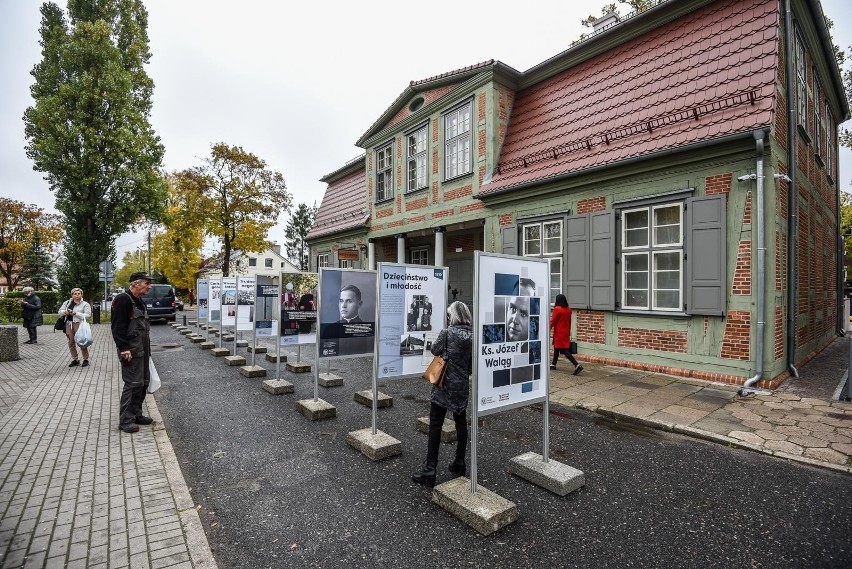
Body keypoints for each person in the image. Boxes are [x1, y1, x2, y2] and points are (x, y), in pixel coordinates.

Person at [412, 301, 473, 488]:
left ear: (452, 316)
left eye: (449, 315)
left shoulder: (447, 333)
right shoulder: (473, 336)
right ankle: (460, 462)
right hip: (461, 385)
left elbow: (434, 350)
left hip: (443, 384)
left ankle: (430, 469)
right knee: (461, 421)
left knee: (436, 424)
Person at [111, 271, 154, 434]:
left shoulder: (139, 301)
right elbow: (117, 327)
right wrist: (123, 348)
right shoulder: (123, 299)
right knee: (132, 384)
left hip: (142, 350)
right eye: (146, 283)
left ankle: (137, 414)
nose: (149, 286)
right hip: (130, 350)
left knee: (142, 382)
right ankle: (126, 420)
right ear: (136, 283)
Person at [550, 294, 583, 375]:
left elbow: (552, 321)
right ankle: (553, 364)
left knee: (564, 350)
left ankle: (577, 365)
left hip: (559, 332)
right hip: (566, 332)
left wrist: (547, 329)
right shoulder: (569, 309)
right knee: (556, 348)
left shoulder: (557, 309)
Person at [59, 288, 92, 367]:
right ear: (72, 295)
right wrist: (65, 312)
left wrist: (75, 313)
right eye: (75, 294)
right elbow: (60, 311)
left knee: (81, 342)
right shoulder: (67, 303)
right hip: (69, 324)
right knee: (71, 342)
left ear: (81, 294)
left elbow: (88, 315)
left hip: (79, 324)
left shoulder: (85, 304)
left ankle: (85, 359)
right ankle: (75, 359)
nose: (77, 295)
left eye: (79, 293)